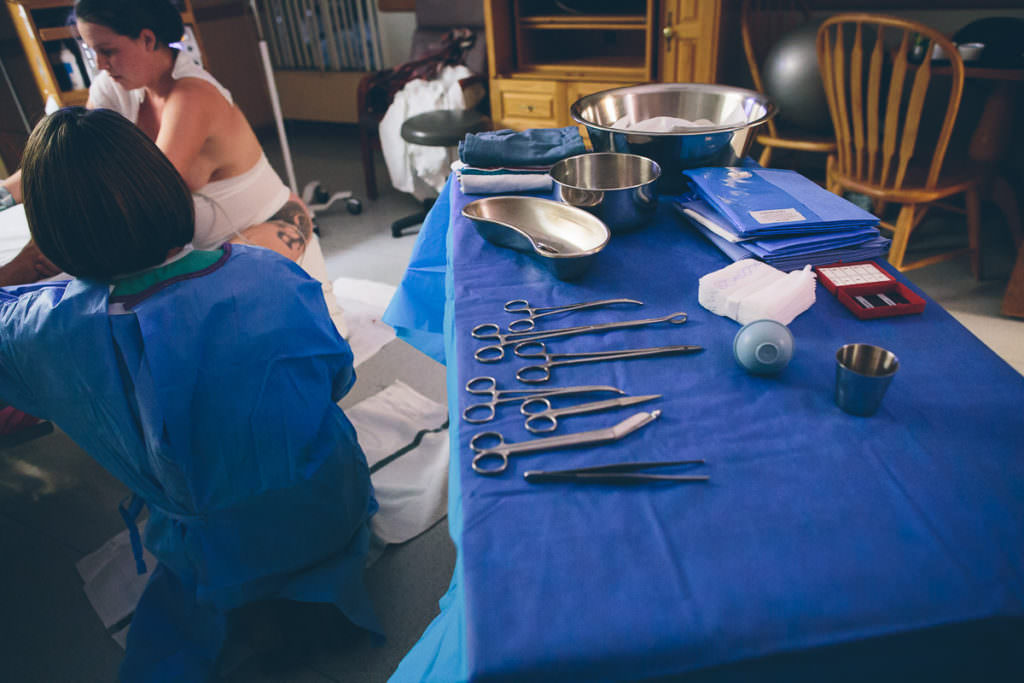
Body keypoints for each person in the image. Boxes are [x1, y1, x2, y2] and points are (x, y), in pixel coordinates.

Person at [0, 107, 379, 680]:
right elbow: (337, 377)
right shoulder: (270, 273)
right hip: (329, 508)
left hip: (217, 552)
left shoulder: (50, 329)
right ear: (158, 184)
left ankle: (247, 601)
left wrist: (19, 271)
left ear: (50, 238)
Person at [0, 0, 347, 337]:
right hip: (201, 248)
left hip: (266, 231)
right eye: (92, 53)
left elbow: (145, 204)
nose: (101, 64)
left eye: (108, 51)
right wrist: (7, 192)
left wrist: (43, 253)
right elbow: (73, 159)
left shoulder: (192, 96)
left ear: (147, 39)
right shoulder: (114, 87)